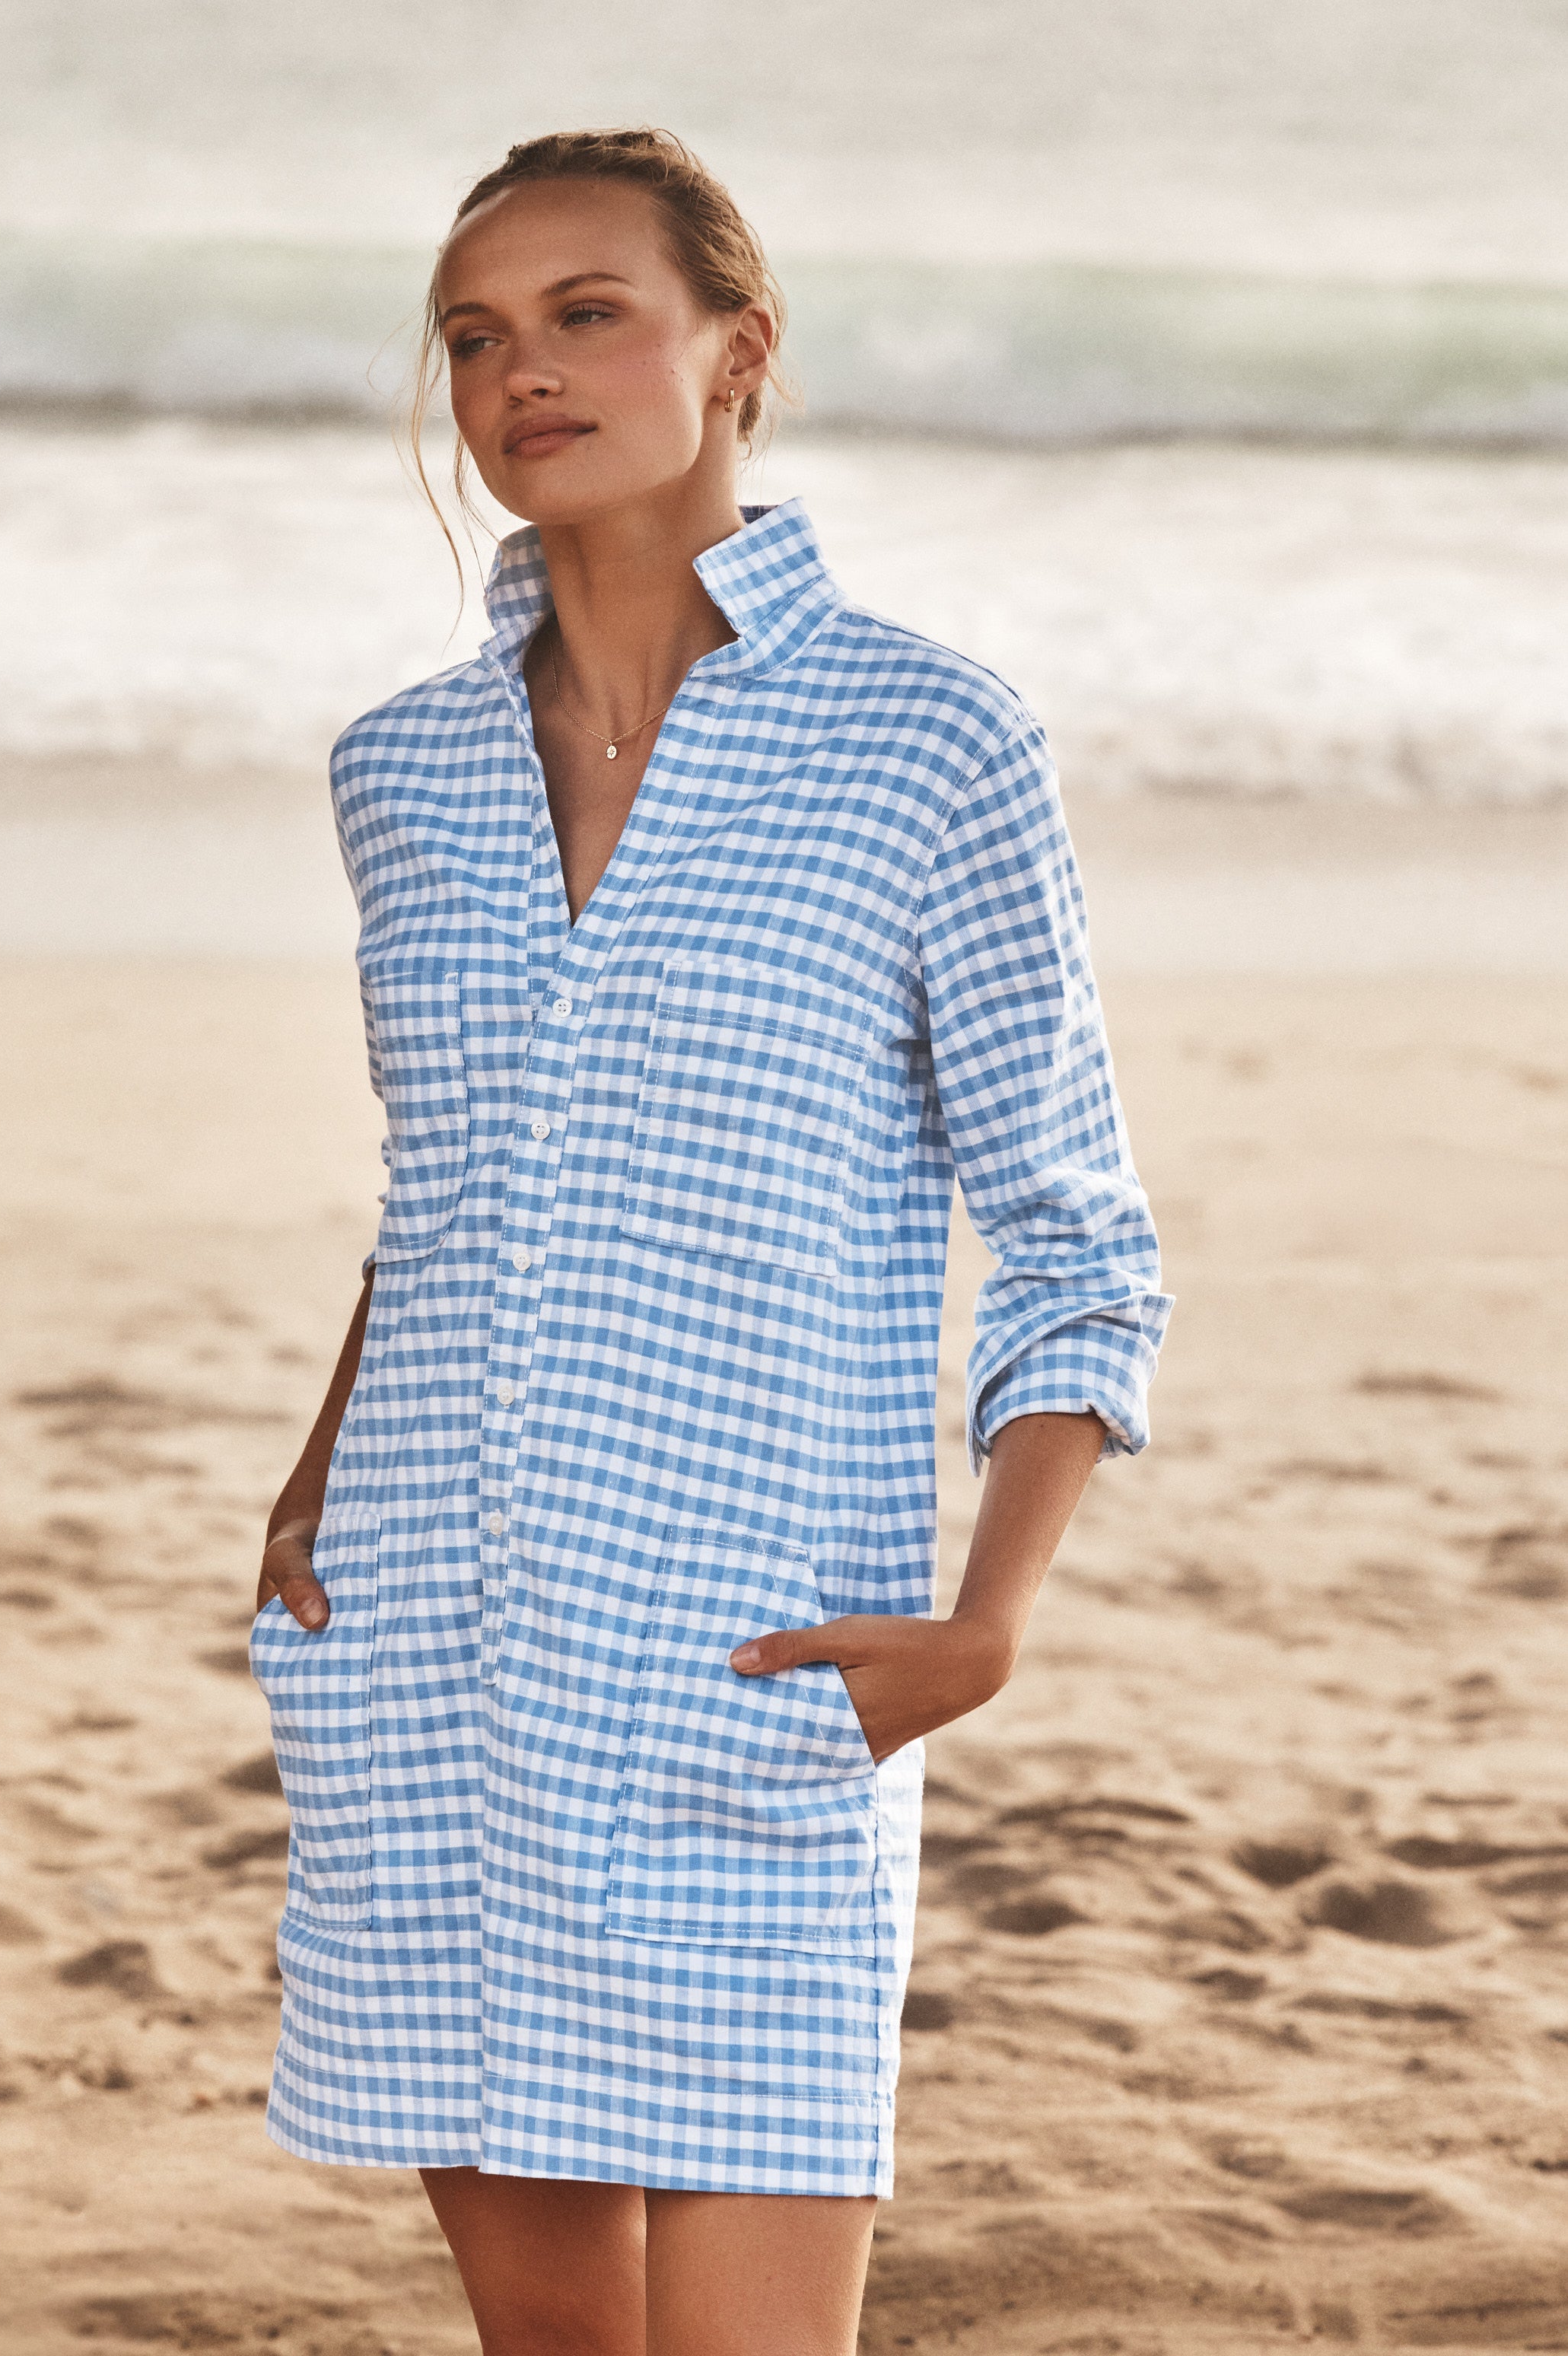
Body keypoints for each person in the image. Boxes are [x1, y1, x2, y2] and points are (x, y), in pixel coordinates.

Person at [251, 126, 1170, 2356]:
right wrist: (311, 1483)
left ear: (736, 350)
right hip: (429, 1637)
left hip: (747, 1659)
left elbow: (1072, 1228)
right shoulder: (402, 771)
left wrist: (987, 1620)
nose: (520, 373)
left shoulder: (927, 740)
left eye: (589, 315)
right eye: (476, 334)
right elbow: (453, 1182)